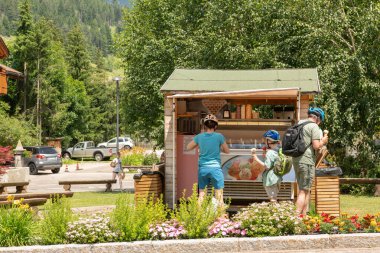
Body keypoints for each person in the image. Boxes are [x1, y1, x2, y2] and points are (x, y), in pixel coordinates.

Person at [186, 114, 230, 207]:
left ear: (204, 126)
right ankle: (221, 219)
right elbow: (227, 151)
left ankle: (197, 217)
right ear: (216, 126)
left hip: (203, 169)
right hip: (215, 169)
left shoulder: (199, 137)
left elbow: (188, 147)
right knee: (219, 196)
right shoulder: (219, 136)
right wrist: (218, 147)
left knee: (202, 194)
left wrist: (200, 145)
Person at [293, 107, 328, 215]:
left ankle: (304, 216)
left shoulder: (299, 124)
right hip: (307, 161)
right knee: (303, 191)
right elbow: (316, 146)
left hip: (297, 159)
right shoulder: (314, 127)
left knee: (305, 189)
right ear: (318, 118)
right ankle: (295, 218)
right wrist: (323, 141)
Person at [252, 130, 282, 202]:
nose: (265, 142)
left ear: (269, 141)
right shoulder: (277, 150)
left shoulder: (270, 152)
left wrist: (255, 157)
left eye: (266, 140)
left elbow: (267, 166)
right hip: (277, 177)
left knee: (272, 199)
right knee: (274, 197)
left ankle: (275, 212)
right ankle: (275, 211)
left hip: (270, 179)